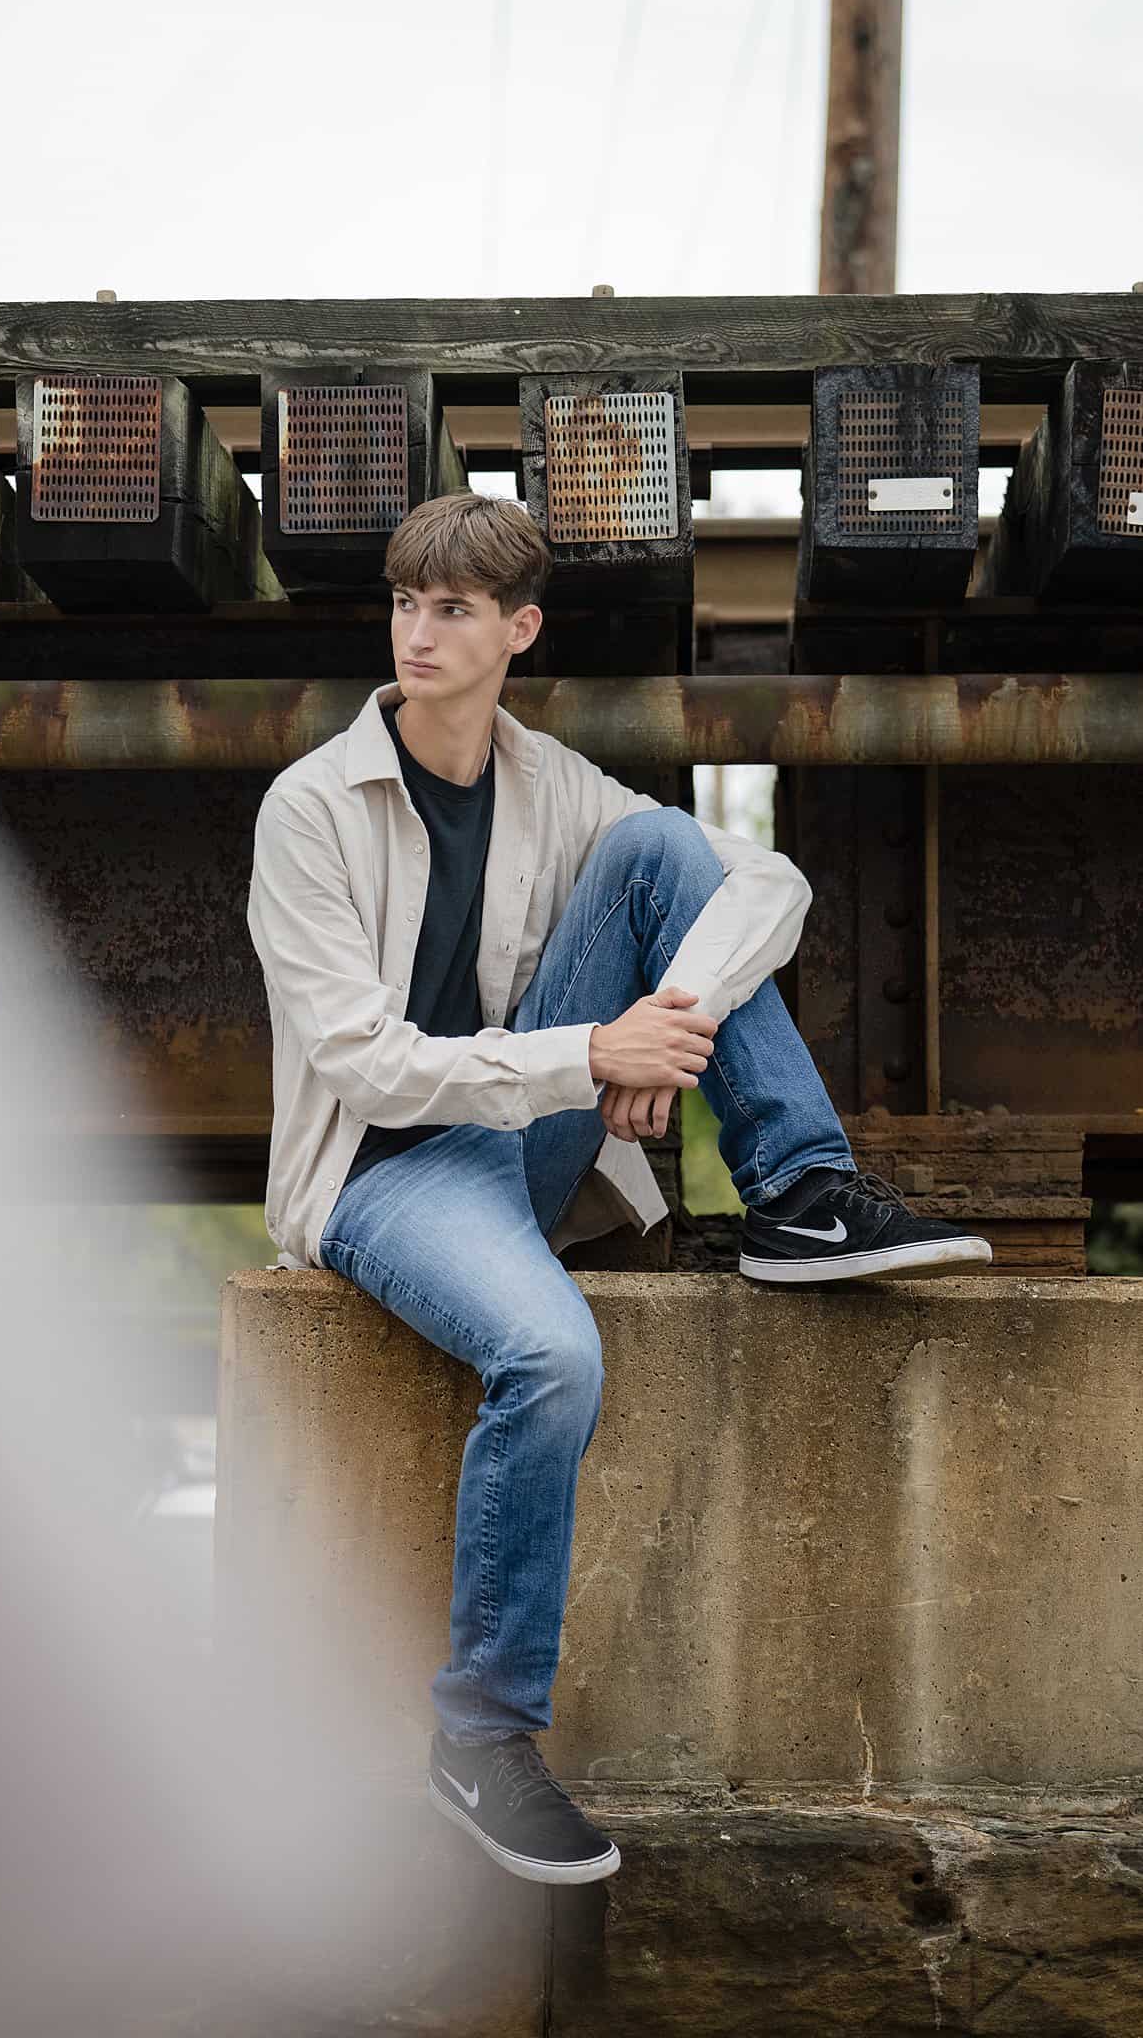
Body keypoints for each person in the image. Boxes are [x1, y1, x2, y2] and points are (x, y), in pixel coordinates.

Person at [245, 491, 991, 1887]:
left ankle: (801, 1191)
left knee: (666, 857)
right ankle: (480, 1736)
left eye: (453, 608)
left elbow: (766, 880)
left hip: (520, 1140)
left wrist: (672, 1011)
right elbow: (360, 1066)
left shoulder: (552, 786)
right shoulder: (311, 810)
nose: (419, 631)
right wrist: (590, 1055)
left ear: (516, 630)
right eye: (406, 603)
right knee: (549, 1352)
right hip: (385, 1175)